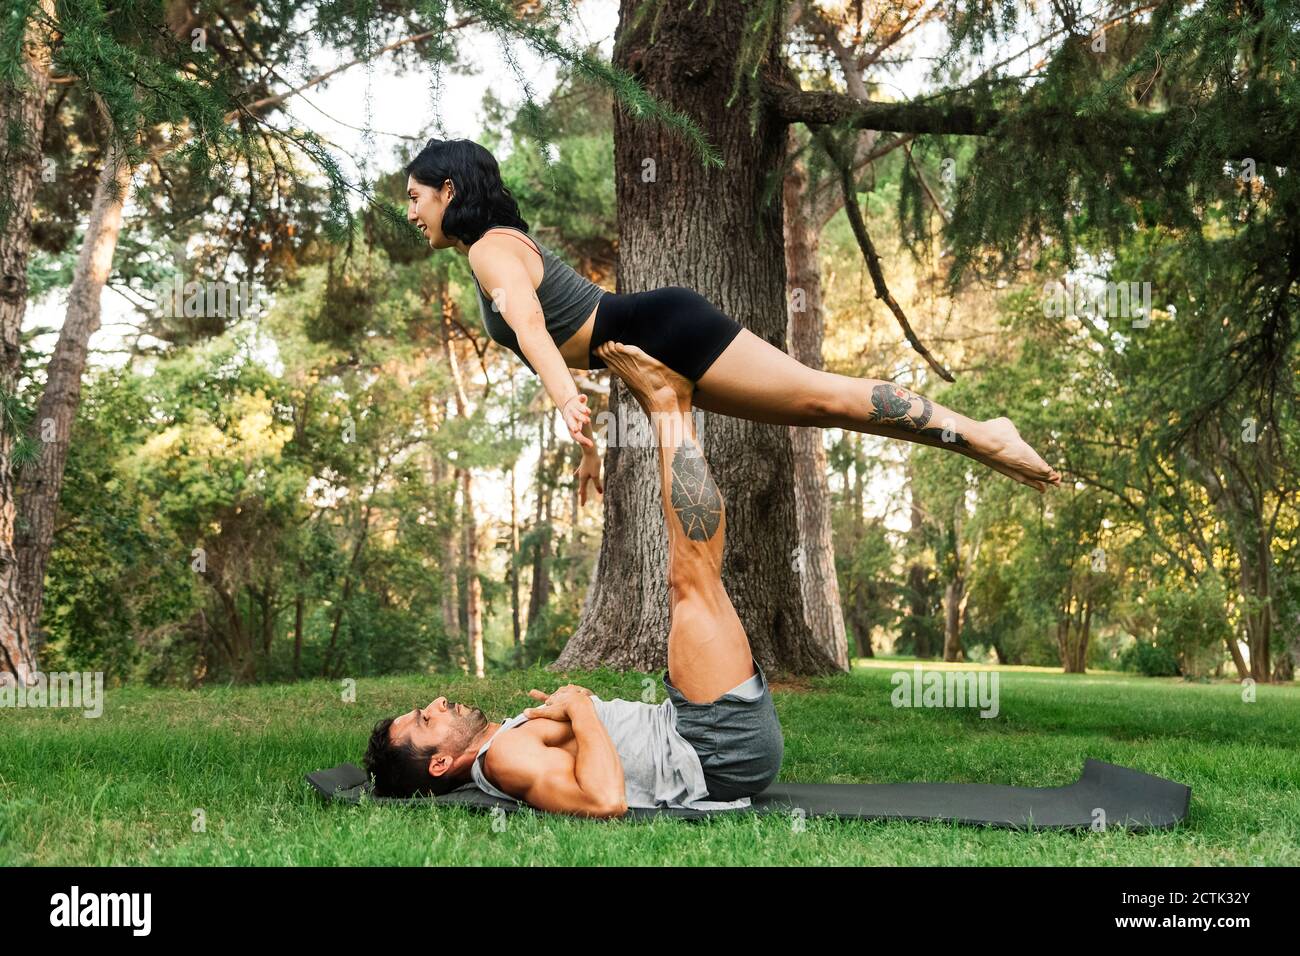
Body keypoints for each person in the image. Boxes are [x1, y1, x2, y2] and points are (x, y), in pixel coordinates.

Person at [405, 138, 1062, 508]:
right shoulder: (494, 245)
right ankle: (976, 441)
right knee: (818, 409)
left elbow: (529, 325)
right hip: (647, 345)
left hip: (664, 328)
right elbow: (553, 332)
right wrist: (584, 445)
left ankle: (983, 432)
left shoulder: (491, 247)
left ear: (450, 193)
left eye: (415, 197)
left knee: (821, 394)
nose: (411, 213)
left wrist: (566, 399)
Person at [363, 343, 784, 816]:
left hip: (698, 733)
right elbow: (605, 803)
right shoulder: (503, 758)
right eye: (425, 718)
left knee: (692, 578)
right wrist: (578, 705)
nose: (437, 702)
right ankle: (667, 402)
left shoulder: (501, 745)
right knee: (692, 580)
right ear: (439, 763)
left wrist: (578, 708)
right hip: (713, 748)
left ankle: (670, 403)